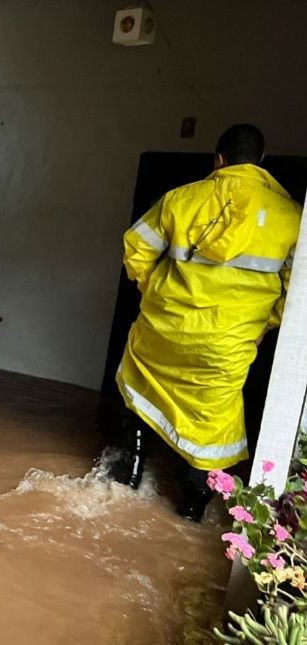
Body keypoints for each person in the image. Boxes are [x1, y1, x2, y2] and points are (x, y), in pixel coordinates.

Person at [109, 124, 302, 521]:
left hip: (164, 328)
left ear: (219, 159)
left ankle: (129, 469)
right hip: (227, 342)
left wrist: (154, 293)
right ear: (261, 163)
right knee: (212, 419)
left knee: (138, 381)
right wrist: (264, 324)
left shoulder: (180, 199)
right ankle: (192, 507)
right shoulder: (290, 217)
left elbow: (136, 249)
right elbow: (294, 292)